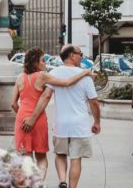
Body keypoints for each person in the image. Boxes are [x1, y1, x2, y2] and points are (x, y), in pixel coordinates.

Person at [26, 44, 100, 188]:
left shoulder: (54, 73)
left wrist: (32, 117)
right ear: (72, 56)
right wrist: (97, 122)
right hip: (79, 125)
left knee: (60, 154)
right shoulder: (85, 76)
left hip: (61, 124)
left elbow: (45, 96)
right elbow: (94, 102)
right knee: (76, 158)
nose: (82, 57)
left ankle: (62, 182)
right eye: (80, 54)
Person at [12, 47, 90, 178]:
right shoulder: (42, 76)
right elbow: (66, 82)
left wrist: (22, 115)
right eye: (43, 60)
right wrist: (84, 73)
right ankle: (38, 185)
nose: (45, 63)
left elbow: (13, 104)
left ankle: (29, 187)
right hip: (38, 119)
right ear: (35, 62)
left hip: (22, 119)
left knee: (26, 158)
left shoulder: (20, 78)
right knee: (41, 158)